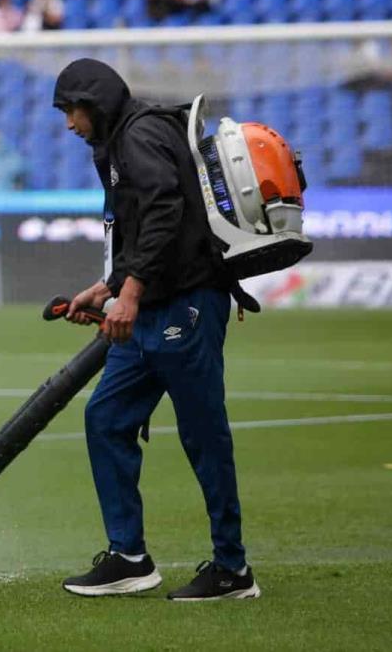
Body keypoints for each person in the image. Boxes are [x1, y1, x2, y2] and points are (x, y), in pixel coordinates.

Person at [53, 58, 260, 602]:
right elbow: (147, 224)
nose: (69, 125)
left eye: (71, 112)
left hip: (186, 305)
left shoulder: (139, 135)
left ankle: (233, 570)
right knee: (106, 418)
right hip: (151, 306)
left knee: (203, 434)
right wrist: (109, 288)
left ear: (93, 105)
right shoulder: (120, 141)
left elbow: (167, 212)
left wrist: (131, 292)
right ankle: (129, 557)